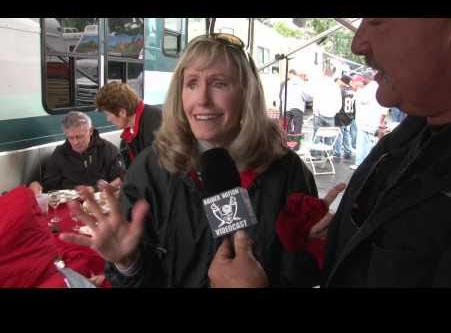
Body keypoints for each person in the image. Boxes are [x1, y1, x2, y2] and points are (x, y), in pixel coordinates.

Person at [208, 18, 451, 288]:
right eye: (191, 82)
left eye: (377, 21)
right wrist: (335, 242)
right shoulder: (406, 140)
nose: (357, 44)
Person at [60, 33, 342, 287]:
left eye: (219, 83)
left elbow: (302, 276)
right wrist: (128, 263)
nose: (203, 99)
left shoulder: (287, 170)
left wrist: (313, 247)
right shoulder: (150, 169)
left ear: (246, 92)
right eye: (192, 83)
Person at [29, 111, 124, 193]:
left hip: (101, 201)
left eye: (79, 136)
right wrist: (38, 185)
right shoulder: (60, 153)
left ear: (90, 131)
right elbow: (50, 183)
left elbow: (120, 178)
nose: (75, 142)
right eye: (70, 137)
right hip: (70, 204)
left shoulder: (107, 149)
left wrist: (95, 189)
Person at [95, 82, 163, 169]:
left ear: (122, 112)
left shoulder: (156, 125)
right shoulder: (129, 134)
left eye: (108, 114)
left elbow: (161, 171)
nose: (108, 119)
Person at [349, 71, 388, 170]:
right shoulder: (378, 87)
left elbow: (362, 99)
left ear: (366, 79)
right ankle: (367, 163)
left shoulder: (370, 88)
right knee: (369, 143)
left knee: (362, 143)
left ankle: (360, 163)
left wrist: (357, 89)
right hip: (373, 120)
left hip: (366, 121)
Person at [311, 69, 342, 142]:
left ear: (324, 74)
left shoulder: (319, 84)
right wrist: (335, 111)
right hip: (331, 115)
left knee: (317, 134)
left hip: (319, 114)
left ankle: (316, 152)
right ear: (332, 76)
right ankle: (327, 151)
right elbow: (339, 102)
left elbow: (316, 98)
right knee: (329, 135)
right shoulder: (336, 86)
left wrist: (316, 111)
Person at [333, 75, 356, 160]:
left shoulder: (340, 91)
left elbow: (337, 104)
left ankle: (337, 152)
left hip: (341, 115)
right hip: (349, 116)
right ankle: (348, 151)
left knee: (339, 134)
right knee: (347, 134)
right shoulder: (351, 91)